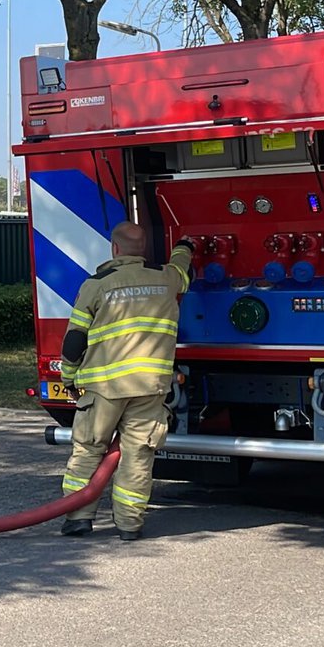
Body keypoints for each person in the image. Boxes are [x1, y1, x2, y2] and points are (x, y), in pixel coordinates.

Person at [57, 221, 195, 541]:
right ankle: (130, 524)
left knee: (89, 450)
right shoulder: (166, 278)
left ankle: (78, 517)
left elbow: (75, 339)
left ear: (115, 248)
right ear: (142, 248)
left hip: (104, 388)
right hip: (150, 386)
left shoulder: (97, 284)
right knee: (138, 454)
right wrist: (185, 247)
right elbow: (182, 270)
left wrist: (68, 375)